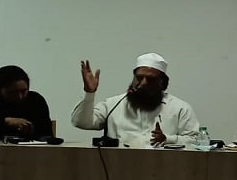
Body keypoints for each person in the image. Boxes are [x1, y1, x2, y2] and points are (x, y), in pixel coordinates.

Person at [71, 52, 200, 147]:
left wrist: (167, 139)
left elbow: (195, 140)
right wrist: (89, 93)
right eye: (139, 77)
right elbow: (81, 122)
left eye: (150, 79)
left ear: (163, 83)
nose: (143, 83)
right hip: (117, 166)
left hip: (164, 167)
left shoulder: (179, 108)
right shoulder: (113, 104)